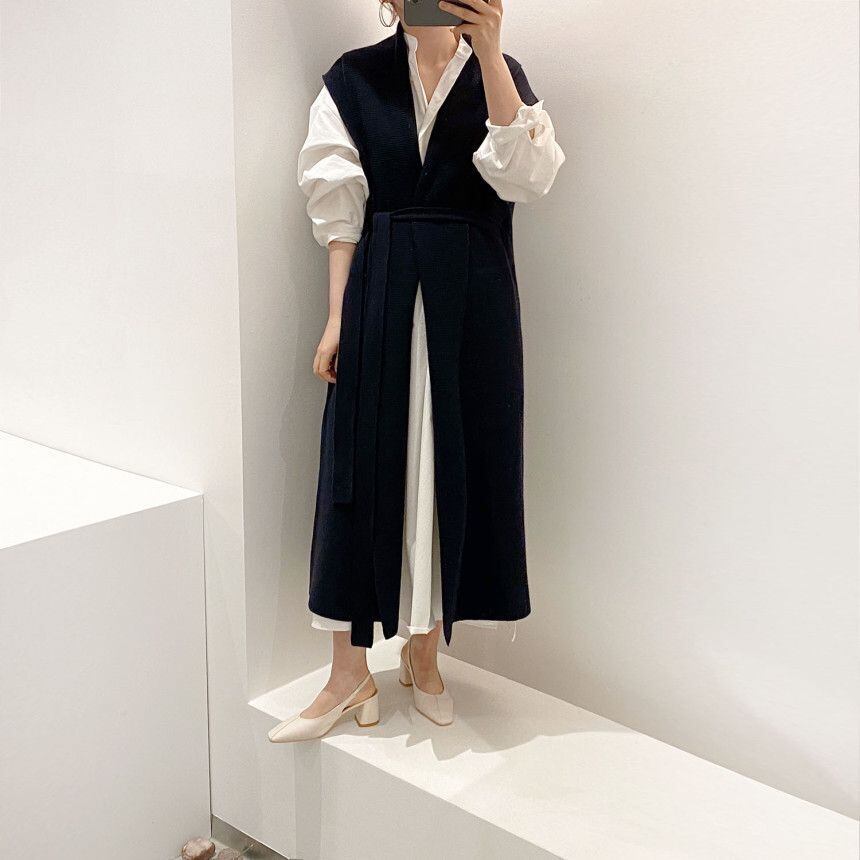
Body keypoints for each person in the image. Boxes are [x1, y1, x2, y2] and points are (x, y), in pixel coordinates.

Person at [268, 0, 565, 743]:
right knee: (358, 462)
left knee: (452, 463)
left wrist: (490, 51)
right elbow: (340, 209)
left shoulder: (502, 73)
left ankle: (425, 655)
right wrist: (336, 317)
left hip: (475, 303)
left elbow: (527, 178)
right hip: (382, 287)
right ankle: (347, 673)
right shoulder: (354, 79)